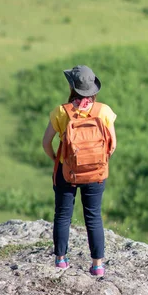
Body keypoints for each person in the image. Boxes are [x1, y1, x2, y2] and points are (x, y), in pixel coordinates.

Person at [42, 65, 117, 276]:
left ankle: (61, 260)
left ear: (72, 86)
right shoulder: (103, 111)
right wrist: (97, 161)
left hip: (67, 172)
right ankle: (98, 265)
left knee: (63, 215)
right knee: (93, 217)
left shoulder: (61, 111)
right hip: (95, 173)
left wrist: (57, 158)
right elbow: (113, 144)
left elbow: (46, 142)